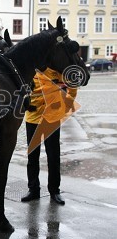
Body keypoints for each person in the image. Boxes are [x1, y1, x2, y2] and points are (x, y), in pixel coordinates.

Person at [21, 68, 78, 205]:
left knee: (53, 156)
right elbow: (18, 87)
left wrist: (67, 104)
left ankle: (54, 191)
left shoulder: (56, 68)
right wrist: (24, 101)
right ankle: (33, 189)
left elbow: (72, 84)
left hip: (51, 118)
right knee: (32, 156)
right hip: (32, 118)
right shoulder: (30, 68)